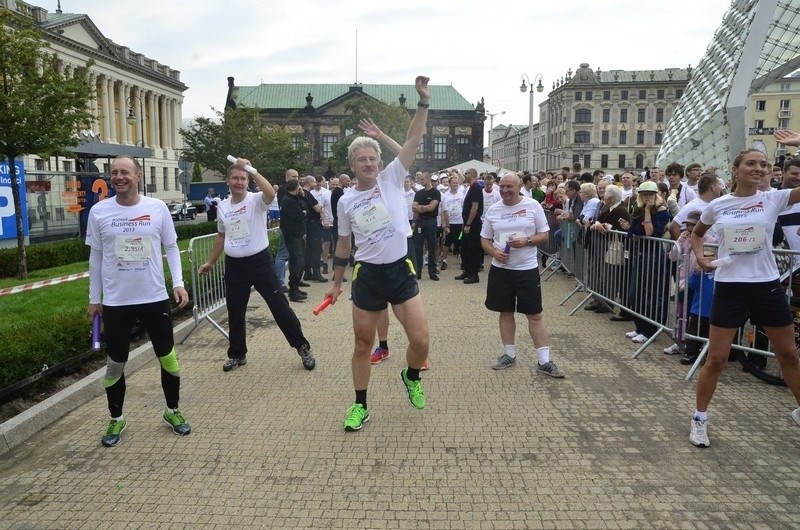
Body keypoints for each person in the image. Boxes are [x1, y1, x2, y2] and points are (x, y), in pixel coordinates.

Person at [325, 75, 432, 432]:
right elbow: (343, 244)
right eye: (362, 160)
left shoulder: (391, 177)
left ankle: (411, 374)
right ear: (353, 165)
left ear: (379, 161)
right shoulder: (346, 201)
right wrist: (336, 283)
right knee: (361, 345)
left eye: (373, 158)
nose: (369, 164)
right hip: (367, 275)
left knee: (420, 341)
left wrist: (423, 101)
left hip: (400, 271)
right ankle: (360, 405)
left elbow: (414, 138)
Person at [689, 147, 800, 448]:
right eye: (751, 164)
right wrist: (701, 257)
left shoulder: (773, 198)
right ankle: (699, 418)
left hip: (767, 286)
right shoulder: (719, 205)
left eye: (764, 164)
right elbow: (697, 234)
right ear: (735, 169)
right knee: (717, 359)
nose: (759, 168)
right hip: (731, 287)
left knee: (789, 355)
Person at [87, 155, 191, 447]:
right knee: (114, 364)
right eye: (114, 173)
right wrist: (94, 299)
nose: (119, 177)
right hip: (117, 302)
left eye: (125, 172)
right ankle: (116, 418)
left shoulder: (156, 208)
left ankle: (172, 411)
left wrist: (179, 283)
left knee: (168, 358)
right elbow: (95, 257)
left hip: (154, 298)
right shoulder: (99, 212)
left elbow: (171, 246)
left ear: (138, 175)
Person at [198, 158, 316, 372]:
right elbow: (221, 236)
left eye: (243, 178)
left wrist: (251, 169)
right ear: (228, 181)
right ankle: (237, 353)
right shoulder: (223, 207)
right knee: (235, 311)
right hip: (235, 266)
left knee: (280, 307)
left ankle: (302, 347)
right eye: (235, 178)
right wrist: (210, 262)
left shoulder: (256, 201)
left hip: (260, 263)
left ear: (248, 181)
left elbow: (270, 193)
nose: (239, 182)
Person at [481, 173, 565, 377]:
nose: (505, 190)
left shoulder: (533, 205)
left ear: (519, 186)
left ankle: (544, 360)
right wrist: (494, 252)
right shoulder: (493, 209)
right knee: (505, 312)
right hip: (500, 270)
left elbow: (544, 235)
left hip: (526, 269)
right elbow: (484, 239)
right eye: (502, 186)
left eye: (509, 186)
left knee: (534, 314)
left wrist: (527, 241)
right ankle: (509, 354)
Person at [456, 168, 484, 284]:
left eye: (466, 174)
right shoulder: (471, 187)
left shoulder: (476, 188)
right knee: (465, 248)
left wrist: (468, 223)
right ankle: (467, 271)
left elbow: (474, 207)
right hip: (467, 223)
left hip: (473, 224)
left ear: (471, 174)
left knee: (473, 249)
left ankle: (474, 274)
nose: (464, 176)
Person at [412, 172, 441, 281]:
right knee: (417, 248)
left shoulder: (435, 193)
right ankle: (417, 272)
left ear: (428, 180)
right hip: (420, 222)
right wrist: (424, 207)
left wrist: (420, 207)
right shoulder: (419, 193)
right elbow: (414, 207)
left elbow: (432, 207)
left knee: (432, 247)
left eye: (423, 179)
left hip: (431, 222)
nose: (420, 180)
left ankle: (432, 272)